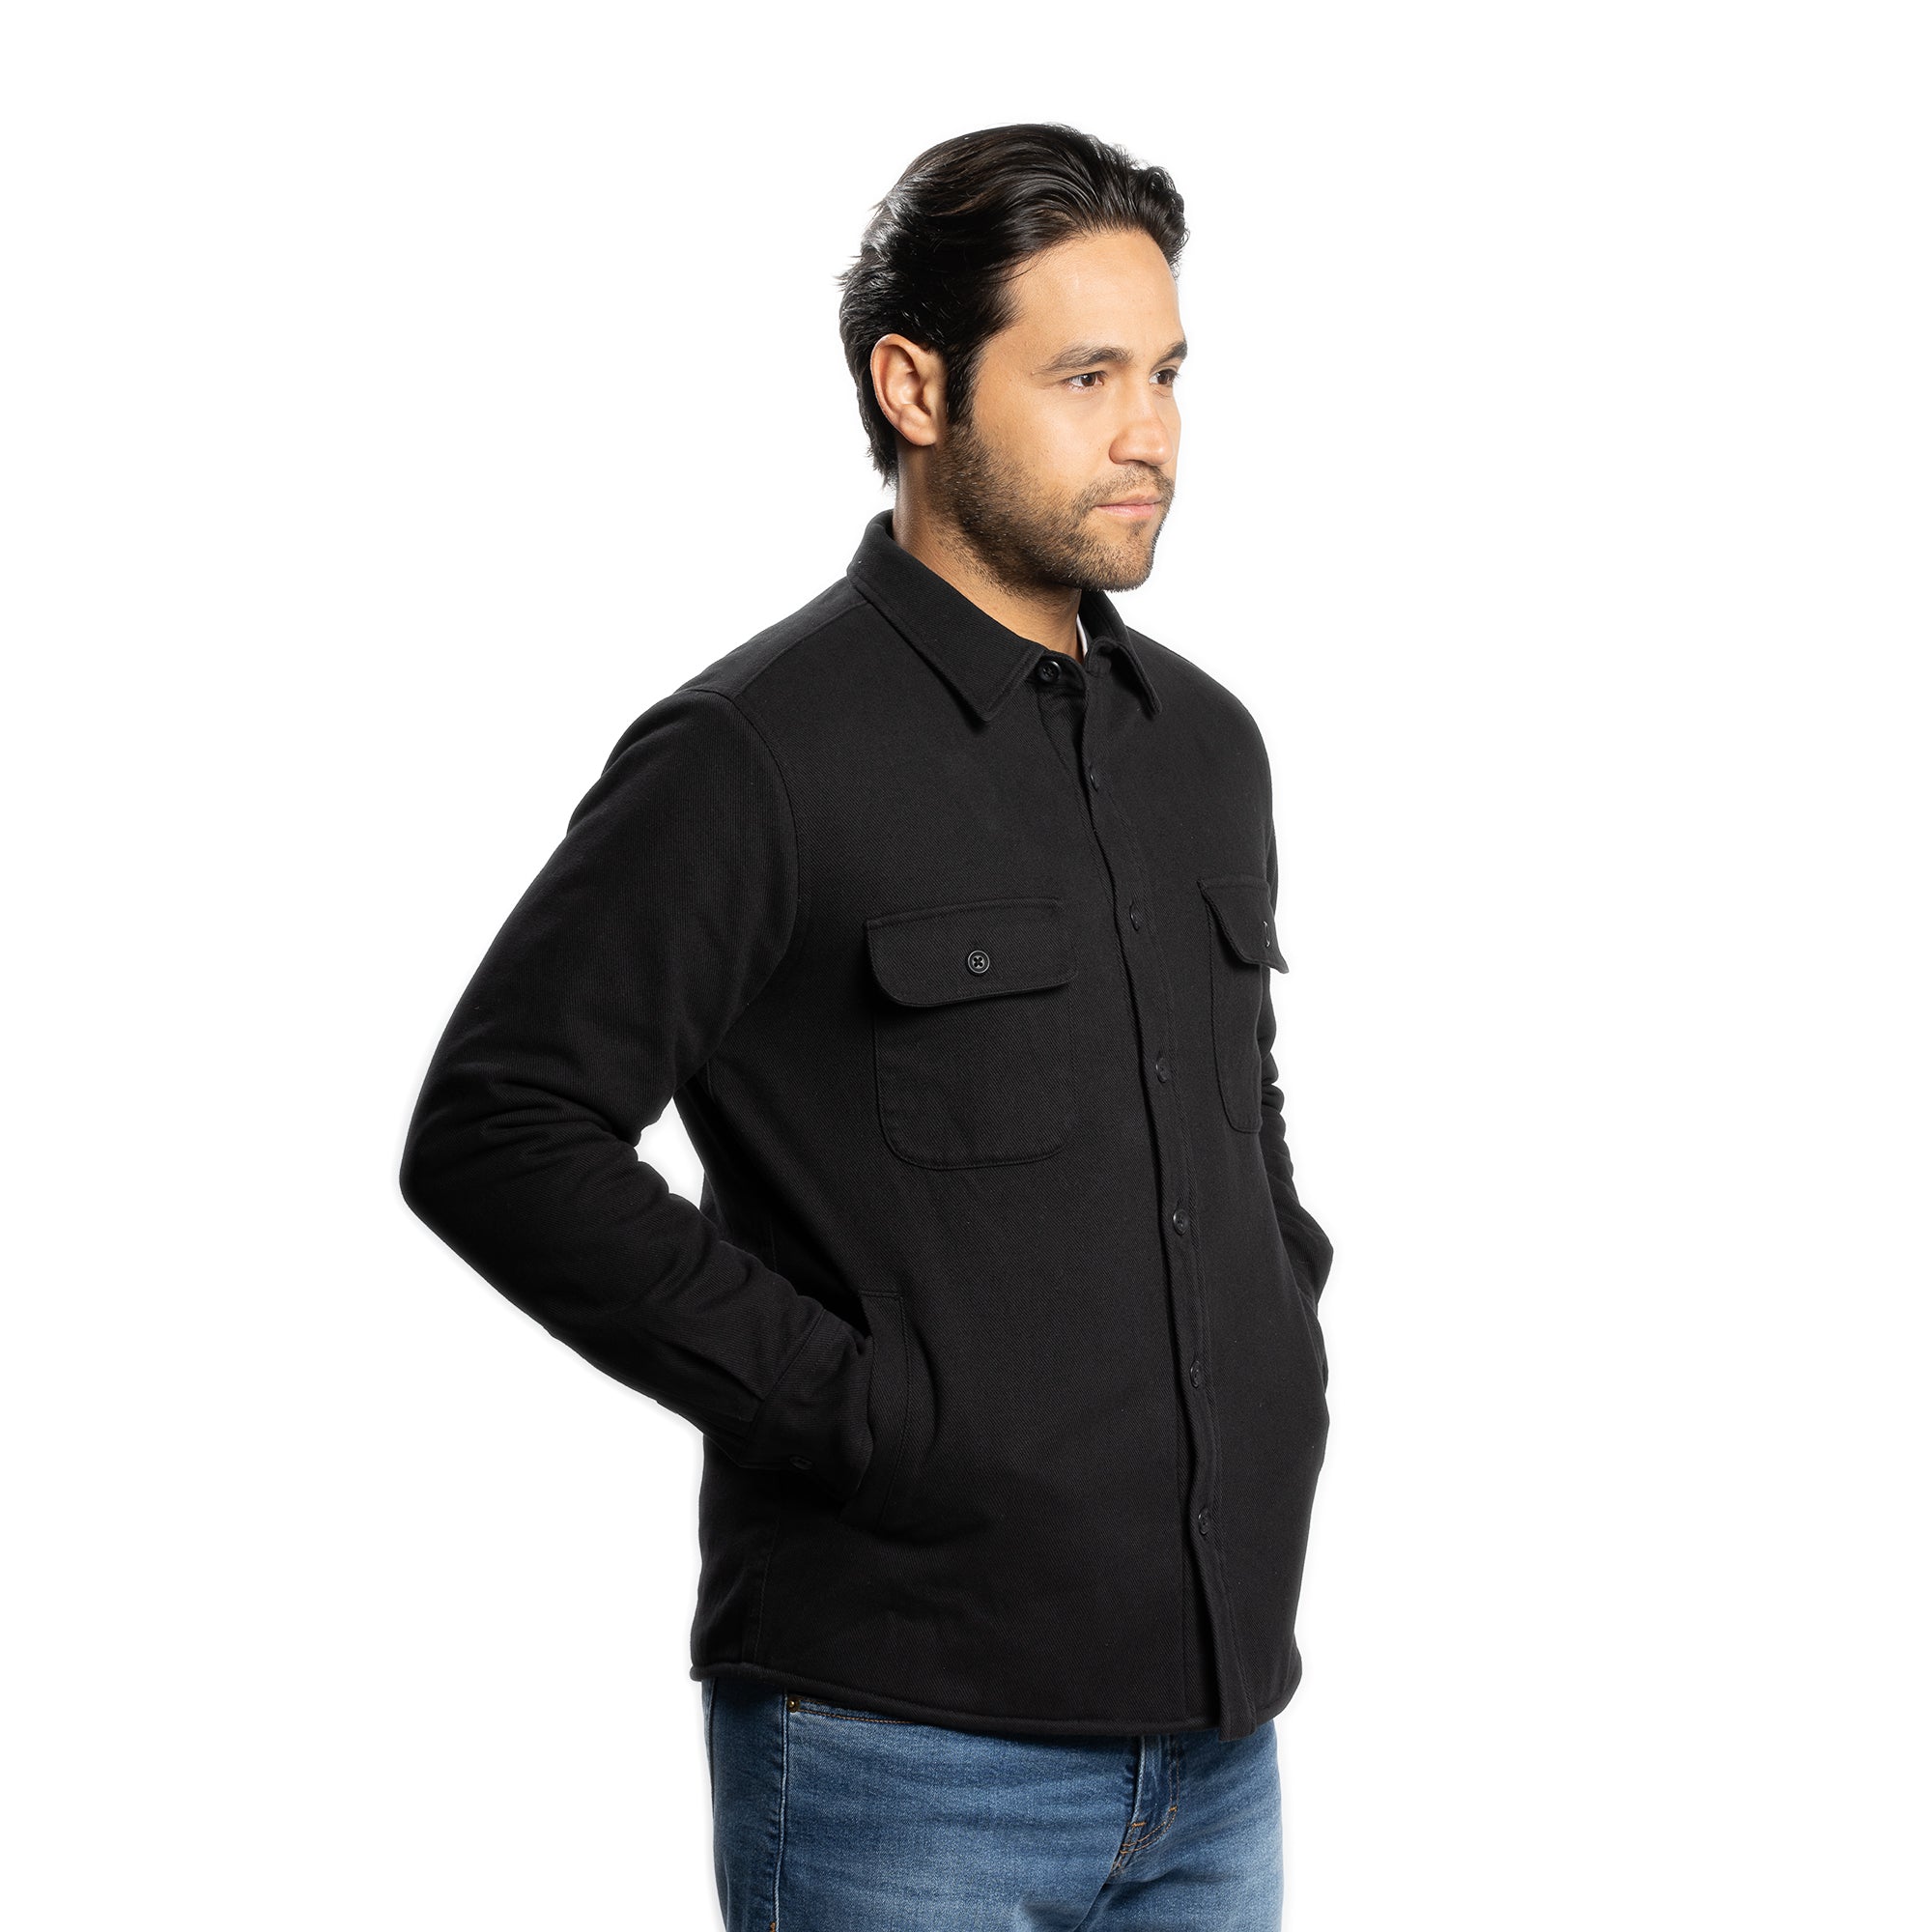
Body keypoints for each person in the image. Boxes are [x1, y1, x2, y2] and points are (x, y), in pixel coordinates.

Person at [399, 121, 1332, 1930]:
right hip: (899, 1754)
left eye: (1166, 374)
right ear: (916, 386)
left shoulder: (1207, 745)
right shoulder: (754, 753)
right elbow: (500, 1129)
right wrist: (853, 1412)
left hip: (1221, 1746)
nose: (1150, 432)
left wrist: (1277, 1298)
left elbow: (1237, 1101)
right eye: (1084, 377)